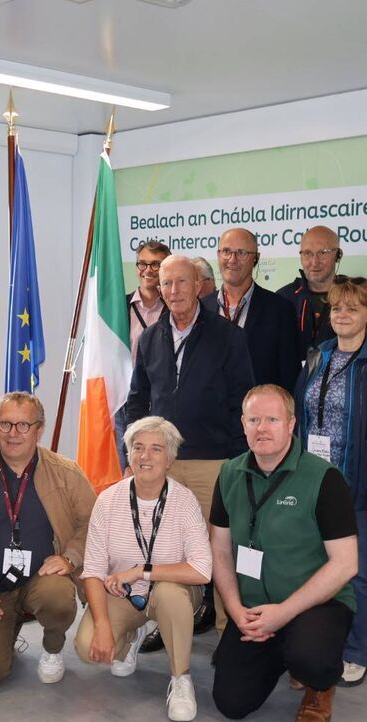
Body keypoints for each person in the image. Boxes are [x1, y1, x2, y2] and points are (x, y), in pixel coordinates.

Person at [210, 384, 358, 722]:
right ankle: (280, 655)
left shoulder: (324, 479)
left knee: (312, 659)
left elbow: (346, 564)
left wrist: (283, 614)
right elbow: (219, 550)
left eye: (272, 419)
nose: (262, 428)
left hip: (316, 604)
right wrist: (235, 610)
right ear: (243, 424)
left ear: (291, 424)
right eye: (254, 420)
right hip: (254, 608)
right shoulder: (229, 474)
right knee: (231, 702)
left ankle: (318, 685)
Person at [125, 254, 254, 639]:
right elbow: (138, 400)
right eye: (166, 284)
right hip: (163, 464)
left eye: (182, 282)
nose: (173, 291)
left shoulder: (227, 336)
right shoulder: (151, 337)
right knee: (165, 550)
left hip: (213, 462)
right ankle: (166, 625)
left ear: (199, 285)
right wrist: (136, 453)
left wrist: (234, 460)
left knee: (218, 549)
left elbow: (242, 401)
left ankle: (227, 631)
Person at [294, 276, 367, 687]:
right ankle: (319, 641)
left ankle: (358, 651)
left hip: (356, 490)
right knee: (313, 567)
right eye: (337, 308)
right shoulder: (317, 357)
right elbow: (299, 422)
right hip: (311, 485)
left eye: (353, 308)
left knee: (356, 573)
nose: (342, 315)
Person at [0, 392, 95, 689]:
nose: (13, 434)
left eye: (23, 425)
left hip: (43, 581)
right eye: (5, 425)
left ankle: (52, 649)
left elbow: (93, 522)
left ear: (39, 429)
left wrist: (70, 557)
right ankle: (7, 628)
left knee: (58, 599)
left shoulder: (66, 473)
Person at [74, 416, 212, 722]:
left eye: (155, 449)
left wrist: (142, 571)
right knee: (86, 647)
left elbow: (202, 571)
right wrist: (103, 627)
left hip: (173, 593)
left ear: (170, 458)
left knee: (170, 595)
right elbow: (94, 571)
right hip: (126, 597)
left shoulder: (184, 502)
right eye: (137, 448)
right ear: (128, 454)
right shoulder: (108, 501)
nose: (144, 457)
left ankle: (181, 679)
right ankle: (133, 636)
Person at [203, 227, 300, 390]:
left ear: (256, 258)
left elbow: (289, 377)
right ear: (218, 255)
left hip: (258, 413)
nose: (232, 260)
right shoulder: (202, 308)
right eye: (226, 251)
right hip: (211, 413)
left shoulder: (280, 310)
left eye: (241, 253)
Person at [277, 226, 367, 363]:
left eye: (323, 253)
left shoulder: (361, 296)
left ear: (338, 255)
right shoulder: (283, 299)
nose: (314, 261)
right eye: (307, 253)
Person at [126, 240, 169, 357]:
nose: (148, 270)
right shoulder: (121, 307)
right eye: (142, 264)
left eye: (155, 265)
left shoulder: (173, 308)